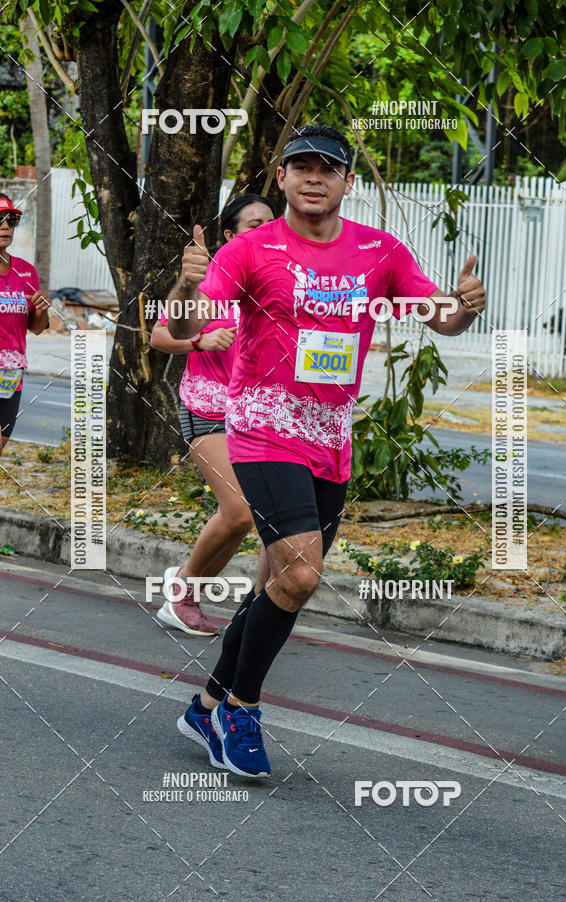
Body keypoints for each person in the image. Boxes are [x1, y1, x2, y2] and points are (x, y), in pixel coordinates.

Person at [169, 125, 487, 777]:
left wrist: (465, 309)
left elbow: (441, 316)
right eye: (301, 166)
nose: (314, 177)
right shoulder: (251, 250)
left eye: (328, 168)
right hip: (259, 430)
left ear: (347, 182)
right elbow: (188, 328)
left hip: (330, 440)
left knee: (281, 583)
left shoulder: (380, 252)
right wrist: (182, 289)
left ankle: (205, 706)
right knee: (304, 574)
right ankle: (241, 711)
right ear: (281, 177)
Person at [151, 194, 275, 637]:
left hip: (260, 412)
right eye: (252, 225)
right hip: (208, 406)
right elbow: (159, 335)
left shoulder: (280, 280)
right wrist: (199, 343)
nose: (264, 232)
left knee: (261, 517)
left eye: (270, 223)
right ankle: (182, 592)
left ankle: (234, 606)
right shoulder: (213, 278)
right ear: (229, 236)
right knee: (240, 511)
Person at [0, 194, 51, 455]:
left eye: (11, 219)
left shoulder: (26, 271)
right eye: (0, 219)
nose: (6, 225)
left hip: (10, 374)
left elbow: (37, 327)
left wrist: (42, 308)